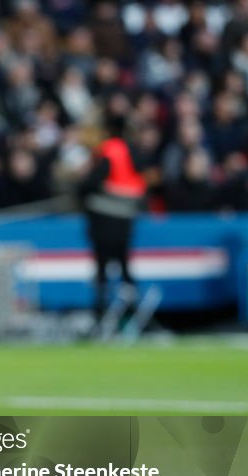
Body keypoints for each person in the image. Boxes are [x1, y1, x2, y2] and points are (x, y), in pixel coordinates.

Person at [78, 117, 145, 326]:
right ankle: (131, 313)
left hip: (105, 217)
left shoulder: (110, 150)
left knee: (102, 267)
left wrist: (81, 188)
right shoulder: (131, 151)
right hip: (126, 217)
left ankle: (101, 314)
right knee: (124, 265)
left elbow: (91, 183)